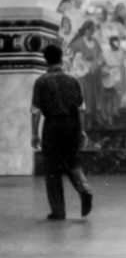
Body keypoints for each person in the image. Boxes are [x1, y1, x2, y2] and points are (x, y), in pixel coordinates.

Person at [31, 43, 93, 221]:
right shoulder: (73, 80)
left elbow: (35, 111)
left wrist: (34, 133)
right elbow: (80, 109)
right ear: (61, 58)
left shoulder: (41, 82)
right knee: (72, 162)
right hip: (72, 125)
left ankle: (58, 211)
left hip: (52, 126)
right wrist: (81, 131)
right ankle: (85, 189)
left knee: (52, 169)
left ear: (46, 60)